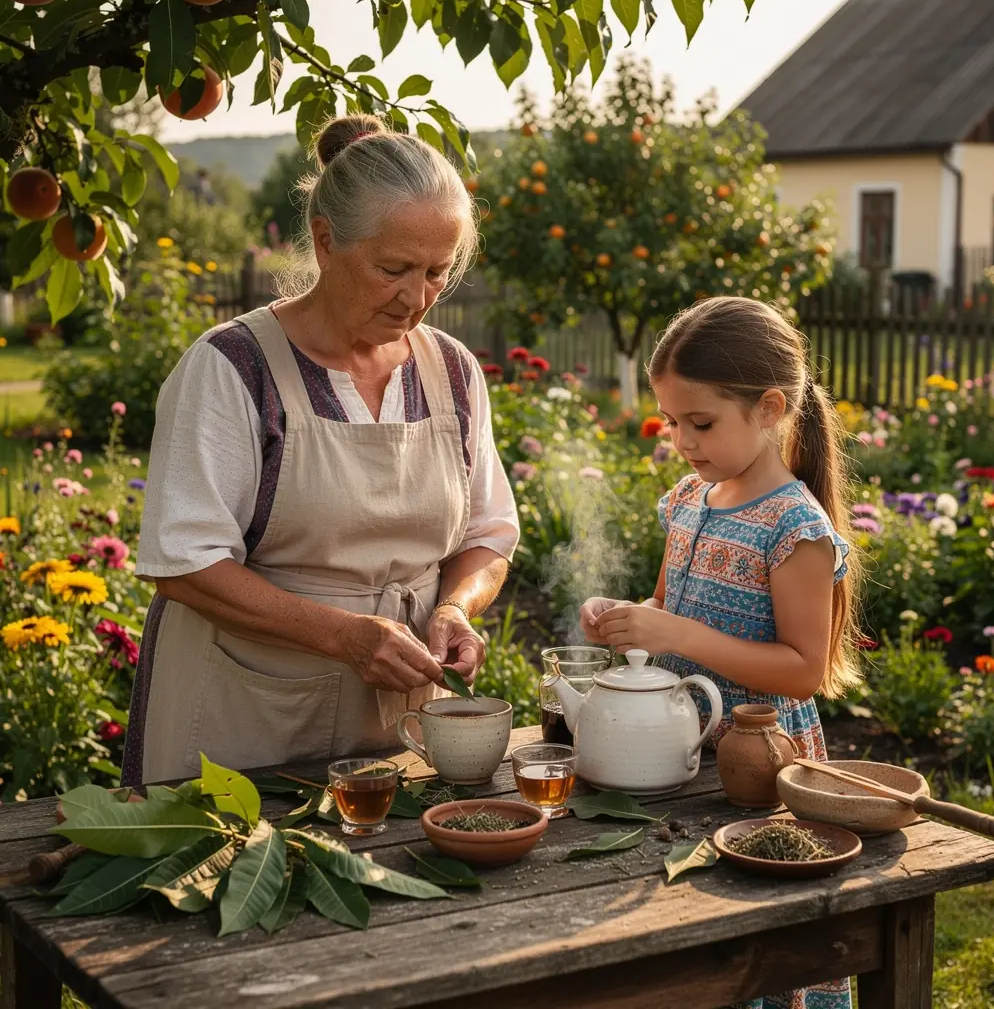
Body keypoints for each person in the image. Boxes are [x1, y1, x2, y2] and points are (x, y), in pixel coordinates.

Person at [123, 114, 519, 786]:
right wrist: (345, 636)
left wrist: (453, 608)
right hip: (245, 715)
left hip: (398, 719)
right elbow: (183, 562)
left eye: (436, 272)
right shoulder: (233, 367)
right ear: (326, 240)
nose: (415, 298)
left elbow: (488, 531)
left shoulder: (451, 371)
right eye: (393, 268)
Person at [580, 296, 859, 1009]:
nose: (680, 438)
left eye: (699, 423)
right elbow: (666, 611)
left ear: (768, 408)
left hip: (763, 772)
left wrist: (677, 635)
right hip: (683, 756)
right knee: (683, 942)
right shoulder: (688, 500)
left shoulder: (795, 526)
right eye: (672, 421)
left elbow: (806, 670)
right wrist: (625, 620)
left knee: (755, 947)